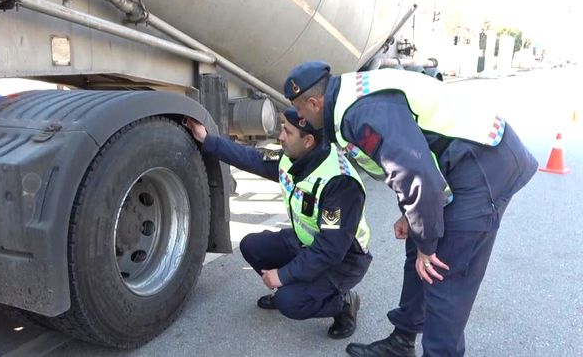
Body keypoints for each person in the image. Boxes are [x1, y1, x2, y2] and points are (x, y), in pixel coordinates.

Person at [282, 61, 538, 356]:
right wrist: (412, 218)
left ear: (314, 103)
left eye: (300, 112)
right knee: (420, 248)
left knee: (443, 274)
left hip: (482, 165)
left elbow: (415, 174)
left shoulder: (360, 113)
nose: (300, 118)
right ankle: (402, 342)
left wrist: (428, 244)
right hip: (460, 161)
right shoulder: (350, 96)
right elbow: (411, 158)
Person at [186, 109, 372, 339]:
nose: (280, 136)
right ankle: (296, 288)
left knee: (290, 302)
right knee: (252, 246)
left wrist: (283, 275)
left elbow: (330, 249)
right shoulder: (292, 158)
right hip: (308, 243)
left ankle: (343, 303)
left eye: (287, 131)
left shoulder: (338, 184)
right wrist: (207, 139)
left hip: (344, 259)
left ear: (308, 141)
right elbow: (251, 159)